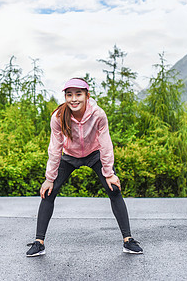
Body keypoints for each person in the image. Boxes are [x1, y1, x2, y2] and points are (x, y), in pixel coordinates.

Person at [26, 77, 143, 257]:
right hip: (69, 156)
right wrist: (49, 179)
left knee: (113, 189)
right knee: (48, 192)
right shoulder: (58, 117)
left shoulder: (98, 114)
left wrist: (109, 173)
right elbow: (55, 148)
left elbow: (105, 144)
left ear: (87, 95)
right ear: (65, 97)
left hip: (93, 154)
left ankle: (128, 240)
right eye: (69, 94)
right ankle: (38, 242)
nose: (74, 99)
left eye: (78, 94)